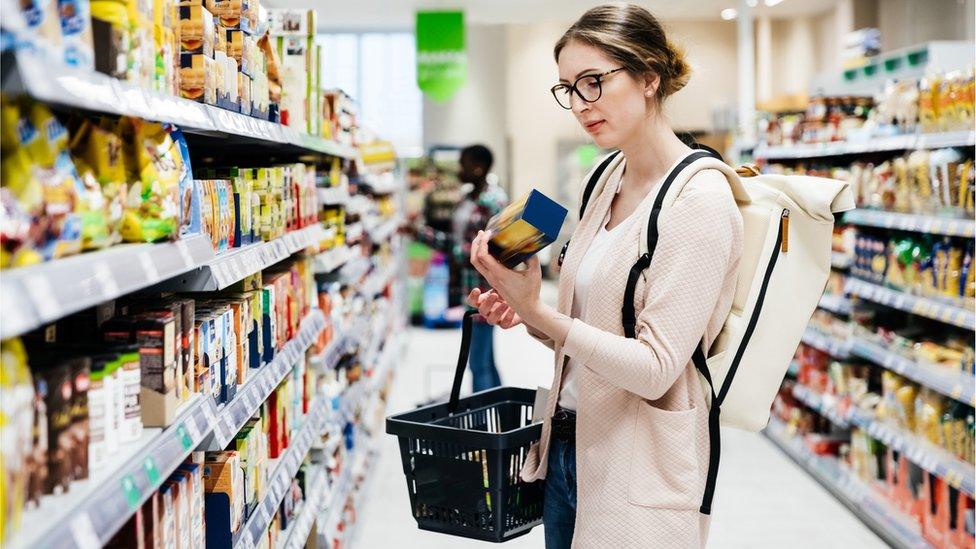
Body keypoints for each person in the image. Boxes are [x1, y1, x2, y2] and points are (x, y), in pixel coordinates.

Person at [466, 4, 743, 548]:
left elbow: (656, 369)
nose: (579, 104)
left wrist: (541, 311)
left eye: (594, 82)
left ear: (648, 77)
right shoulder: (603, 176)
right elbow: (585, 329)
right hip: (566, 449)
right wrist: (526, 313)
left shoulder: (699, 200)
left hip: (638, 465)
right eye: (568, 88)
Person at [416, 144, 509, 392]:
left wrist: (457, 251)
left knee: (478, 363)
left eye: (464, 164)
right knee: (485, 358)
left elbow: (492, 248)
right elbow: (456, 243)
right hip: (469, 288)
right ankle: (500, 412)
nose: (459, 170)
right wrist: (419, 233)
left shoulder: (494, 201)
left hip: (486, 290)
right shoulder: (468, 199)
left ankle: (482, 424)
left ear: (478, 167)